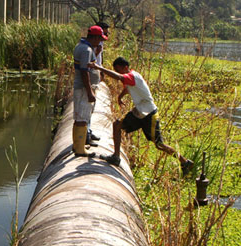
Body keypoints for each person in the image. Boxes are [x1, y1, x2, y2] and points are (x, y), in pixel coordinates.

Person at [89, 56, 194, 175]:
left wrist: (98, 67)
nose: (118, 73)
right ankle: (116, 156)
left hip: (149, 113)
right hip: (140, 111)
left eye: (119, 70)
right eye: (117, 71)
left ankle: (184, 162)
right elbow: (128, 88)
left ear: (126, 67)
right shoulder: (131, 77)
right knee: (117, 124)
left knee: (159, 145)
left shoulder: (132, 76)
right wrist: (120, 96)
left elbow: (120, 78)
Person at [72, 25, 108, 157]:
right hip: (83, 89)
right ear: (95, 37)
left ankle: (77, 145)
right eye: (99, 39)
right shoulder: (86, 50)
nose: (100, 42)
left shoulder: (81, 46)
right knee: (82, 117)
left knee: (78, 118)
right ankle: (80, 150)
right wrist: (89, 92)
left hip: (81, 88)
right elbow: (84, 71)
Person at [86, 22, 110, 145]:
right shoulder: (88, 48)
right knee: (87, 107)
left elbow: (98, 61)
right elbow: (88, 65)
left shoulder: (98, 44)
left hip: (96, 74)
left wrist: (101, 71)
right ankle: (86, 135)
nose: (105, 36)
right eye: (104, 33)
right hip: (91, 77)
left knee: (91, 107)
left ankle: (88, 131)